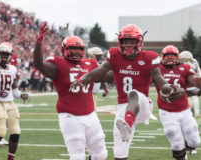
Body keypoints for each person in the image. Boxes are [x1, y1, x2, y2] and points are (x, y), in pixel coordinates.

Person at [70, 24, 185, 160]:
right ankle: (126, 125)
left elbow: (160, 79)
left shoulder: (149, 57)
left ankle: (128, 124)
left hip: (142, 105)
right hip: (122, 109)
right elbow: (98, 71)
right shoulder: (114, 55)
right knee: (119, 154)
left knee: (133, 94)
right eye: (126, 42)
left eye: (132, 41)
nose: (129, 45)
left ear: (139, 42)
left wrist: (169, 88)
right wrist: (82, 79)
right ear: (120, 42)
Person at [33, 22, 108, 160]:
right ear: (64, 49)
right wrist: (38, 43)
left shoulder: (90, 63)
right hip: (70, 116)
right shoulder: (58, 63)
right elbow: (39, 65)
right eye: (72, 48)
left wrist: (120, 66)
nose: (76, 52)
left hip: (90, 114)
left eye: (79, 49)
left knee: (101, 155)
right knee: (77, 156)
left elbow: (105, 77)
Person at [154, 45, 201, 160]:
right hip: (166, 111)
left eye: (172, 55)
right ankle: (181, 153)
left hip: (184, 110)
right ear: (162, 57)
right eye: (167, 56)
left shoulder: (184, 68)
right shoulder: (157, 68)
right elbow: (145, 82)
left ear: (178, 57)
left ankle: (184, 149)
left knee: (195, 142)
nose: (170, 58)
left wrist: (198, 72)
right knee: (176, 142)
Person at [179, 50, 201, 116]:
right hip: (185, 92)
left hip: (190, 92)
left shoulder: (193, 64)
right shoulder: (179, 65)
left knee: (192, 114)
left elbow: (199, 76)